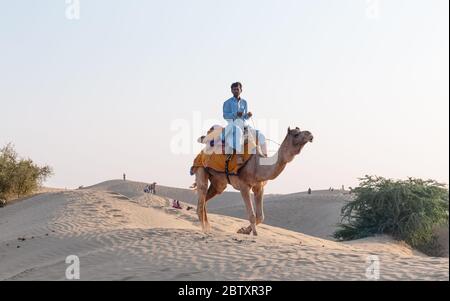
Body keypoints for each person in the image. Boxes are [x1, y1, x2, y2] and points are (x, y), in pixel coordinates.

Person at [222, 82, 267, 157]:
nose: (236, 91)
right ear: (231, 91)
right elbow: (225, 116)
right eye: (234, 89)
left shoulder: (244, 102)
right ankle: (239, 156)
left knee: (261, 135)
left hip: (244, 124)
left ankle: (265, 156)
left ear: (241, 90)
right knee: (238, 132)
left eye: (237, 89)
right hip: (233, 125)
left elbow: (245, 117)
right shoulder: (227, 103)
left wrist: (248, 115)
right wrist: (235, 114)